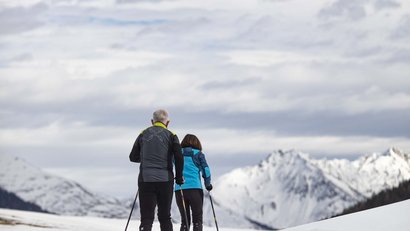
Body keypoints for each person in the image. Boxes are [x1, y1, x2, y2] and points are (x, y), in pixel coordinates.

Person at [129, 109, 184, 231]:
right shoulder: (172, 135)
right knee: (165, 217)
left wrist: (146, 159)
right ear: (167, 122)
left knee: (146, 218)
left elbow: (133, 157)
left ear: (151, 121)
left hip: (145, 179)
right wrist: (179, 177)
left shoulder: (143, 134)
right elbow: (179, 157)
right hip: (166, 180)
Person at [175, 134, 212, 231]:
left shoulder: (177, 154)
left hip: (180, 189)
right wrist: (208, 184)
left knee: (185, 221)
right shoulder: (199, 154)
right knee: (197, 220)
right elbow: (206, 170)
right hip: (195, 189)